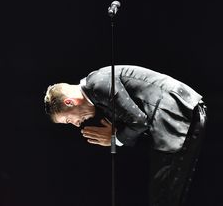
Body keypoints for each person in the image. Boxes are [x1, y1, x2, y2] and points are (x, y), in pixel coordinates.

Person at [44, 65, 207, 206]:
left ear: (69, 102)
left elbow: (139, 121)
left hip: (177, 113)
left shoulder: (98, 83)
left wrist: (116, 139)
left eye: (68, 120)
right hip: (177, 117)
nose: (76, 123)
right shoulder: (96, 91)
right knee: (167, 195)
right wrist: (117, 135)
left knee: (164, 195)